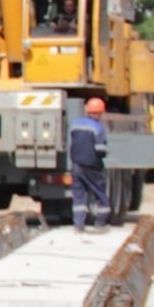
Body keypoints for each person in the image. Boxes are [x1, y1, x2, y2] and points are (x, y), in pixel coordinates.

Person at [69, 97, 110, 231]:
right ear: (99, 113)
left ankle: (78, 226)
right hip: (91, 166)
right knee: (100, 194)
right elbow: (100, 150)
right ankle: (99, 224)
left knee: (79, 197)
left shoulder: (76, 124)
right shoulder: (98, 128)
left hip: (76, 165)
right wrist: (105, 151)